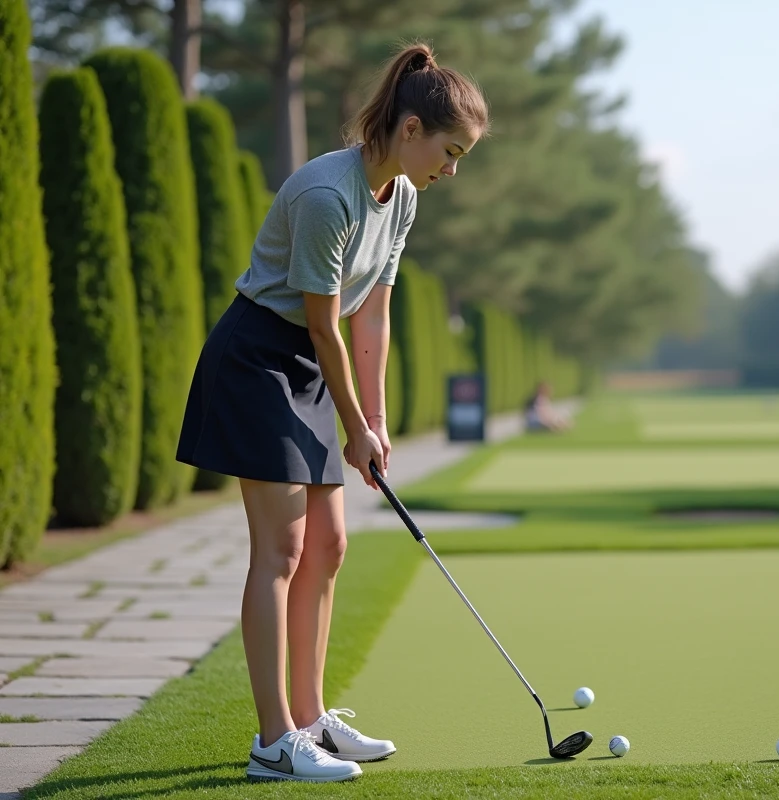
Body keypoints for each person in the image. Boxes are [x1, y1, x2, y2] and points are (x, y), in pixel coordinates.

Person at [175, 43, 488, 783]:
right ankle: (273, 740)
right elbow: (322, 325)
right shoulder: (326, 195)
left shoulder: (402, 195)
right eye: (452, 151)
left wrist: (373, 422)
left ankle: (312, 719)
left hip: (313, 365)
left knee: (330, 547)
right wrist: (351, 425)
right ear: (410, 128)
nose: (453, 169)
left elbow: (371, 312)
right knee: (281, 551)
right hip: (259, 359)